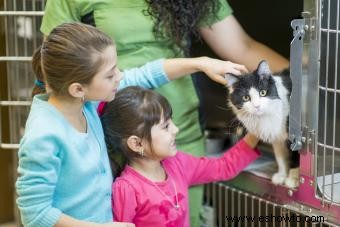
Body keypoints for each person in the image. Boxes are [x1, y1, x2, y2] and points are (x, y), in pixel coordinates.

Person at [40, 1, 288, 225]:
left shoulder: (179, 163)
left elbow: (242, 47)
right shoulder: (123, 186)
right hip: (111, 129)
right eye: (110, 73)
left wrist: (300, 84)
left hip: (177, 127)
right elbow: (59, 65)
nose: (116, 76)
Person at [16, 22, 248, 227]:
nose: (119, 76)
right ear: (78, 88)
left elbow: (145, 75)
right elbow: (35, 215)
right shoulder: (44, 136)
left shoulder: (84, 102)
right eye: (110, 75)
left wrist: (202, 63)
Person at [99, 86, 260, 227]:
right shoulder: (127, 188)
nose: (176, 129)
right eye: (166, 126)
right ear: (137, 144)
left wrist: (256, 132)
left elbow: (222, 167)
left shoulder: (178, 164)